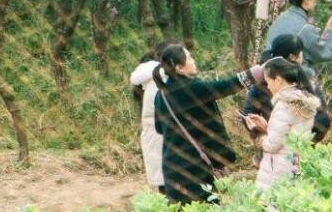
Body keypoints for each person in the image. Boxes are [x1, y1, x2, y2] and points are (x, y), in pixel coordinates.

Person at [152, 43, 264, 204]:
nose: (193, 60)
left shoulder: (160, 94)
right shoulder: (192, 88)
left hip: (172, 167)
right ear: (179, 68)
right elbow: (226, 86)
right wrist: (259, 72)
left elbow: (159, 128)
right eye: (189, 58)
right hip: (195, 169)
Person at [243, 58, 321, 190]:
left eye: (268, 82)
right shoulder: (301, 100)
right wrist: (267, 126)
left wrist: (257, 132)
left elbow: (272, 145)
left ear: (278, 80)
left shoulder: (284, 105)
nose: (267, 86)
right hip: (294, 163)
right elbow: (287, 134)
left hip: (279, 170)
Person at [243, 34, 332, 144]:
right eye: (300, 52)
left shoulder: (264, 75)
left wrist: (264, 131)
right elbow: (322, 116)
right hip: (297, 143)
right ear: (293, 57)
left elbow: (248, 115)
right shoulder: (304, 77)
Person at [264, 0, 332, 73]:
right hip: (292, 78)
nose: (316, 2)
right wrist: (330, 28)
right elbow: (323, 53)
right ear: (307, 0)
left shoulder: (280, 18)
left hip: (270, 73)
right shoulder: (305, 28)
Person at [130, 42, 172, 194]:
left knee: (163, 188)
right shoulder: (162, 80)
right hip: (169, 143)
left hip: (153, 140)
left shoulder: (145, 82)